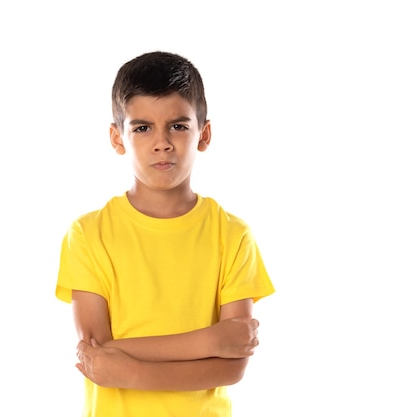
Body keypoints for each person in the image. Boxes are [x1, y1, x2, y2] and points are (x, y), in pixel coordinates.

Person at [55, 51, 275, 417]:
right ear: (117, 137)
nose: (162, 143)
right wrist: (209, 340)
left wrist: (129, 369)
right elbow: (97, 354)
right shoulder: (88, 234)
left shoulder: (232, 235)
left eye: (178, 125)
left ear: (203, 134)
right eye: (142, 128)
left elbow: (232, 365)